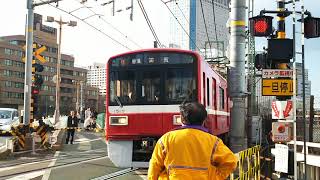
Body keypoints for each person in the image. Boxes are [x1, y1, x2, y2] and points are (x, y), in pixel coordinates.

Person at [148, 102, 238, 180]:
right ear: (203, 120)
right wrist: (214, 177)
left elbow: (154, 166)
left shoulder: (166, 139)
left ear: (182, 119)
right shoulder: (214, 142)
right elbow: (231, 162)